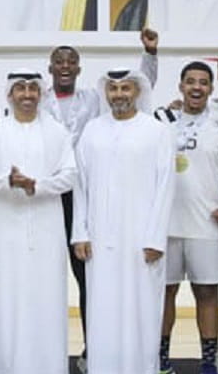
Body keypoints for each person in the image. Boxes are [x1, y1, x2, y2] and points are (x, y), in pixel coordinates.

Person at [42, 34, 158, 344]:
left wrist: (150, 53)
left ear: (79, 69)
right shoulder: (37, 99)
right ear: (50, 68)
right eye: (59, 61)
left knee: (88, 277)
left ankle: (92, 349)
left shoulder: (93, 99)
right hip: (47, 199)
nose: (65, 66)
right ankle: (45, 353)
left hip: (84, 199)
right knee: (44, 276)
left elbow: (141, 87)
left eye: (71, 62)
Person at [70, 67, 175, 374]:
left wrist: (155, 237)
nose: (119, 95)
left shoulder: (156, 131)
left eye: (125, 88)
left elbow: (165, 187)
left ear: (137, 91)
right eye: (113, 89)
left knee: (141, 303)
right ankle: (98, 373)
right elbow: (80, 186)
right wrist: (80, 233)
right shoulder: (92, 131)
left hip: (141, 237)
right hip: (100, 237)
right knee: (101, 303)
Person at [0, 71, 77, 374]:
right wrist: (9, 181)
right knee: (3, 298)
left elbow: (70, 175)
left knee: (46, 299)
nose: (28, 94)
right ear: (10, 95)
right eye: (20, 88)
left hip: (46, 228)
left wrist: (37, 185)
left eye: (33, 88)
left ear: (41, 94)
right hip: (4, 230)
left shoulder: (57, 132)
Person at [156, 61, 218, 374]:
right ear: (180, 86)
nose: (196, 88)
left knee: (207, 293)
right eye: (190, 82)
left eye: (203, 83)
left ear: (211, 88)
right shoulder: (162, 121)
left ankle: (208, 362)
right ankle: (160, 359)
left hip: (208, 225)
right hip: (166, 225)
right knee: (165, 293)